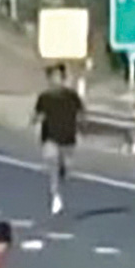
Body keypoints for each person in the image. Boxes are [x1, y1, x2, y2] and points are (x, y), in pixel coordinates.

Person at [33, 64, 85, 215]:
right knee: (53, 163)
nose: (56, 81)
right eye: (53, 77)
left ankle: (60, 180)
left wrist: (81, 128)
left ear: (63, 79)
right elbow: (38, 114)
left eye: (58, 77)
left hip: (68, 137)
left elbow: (81, 113)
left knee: (65, 167)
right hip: (50, 136)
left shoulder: (72, 96)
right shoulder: (45, 97)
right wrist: (35, 122)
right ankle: (55, 195)